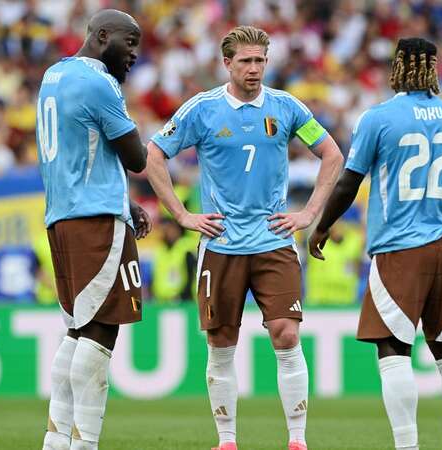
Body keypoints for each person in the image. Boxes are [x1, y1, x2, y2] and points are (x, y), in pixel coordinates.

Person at [145, 25, 344, 450]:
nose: (254, 69)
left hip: (274, 240)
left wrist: (310, 212)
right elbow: (154, 154)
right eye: (246, 61)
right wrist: (181, 214)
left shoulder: (286, 108)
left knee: (286, 335)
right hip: (220, 243)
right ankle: (228, 440)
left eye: (260, 61)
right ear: (227, 64)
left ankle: (297, 440)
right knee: (221, 343)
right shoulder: (201, 110)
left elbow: (332, 153)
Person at [309, 37, 442, 450]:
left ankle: (407, 446)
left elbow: (350, 181)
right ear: (434, 69)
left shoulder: (379, 118)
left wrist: (322, 227)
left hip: (400, 248)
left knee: (393, 349)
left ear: (398, 67)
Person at [36, 10, 152, 450]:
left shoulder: (53, 76)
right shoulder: (98, 82)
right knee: (102, 329)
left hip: (62, 216)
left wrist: (123, 200)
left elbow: (78, 152)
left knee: (77, 330)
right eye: (130, 42)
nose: (134, 54)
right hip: (95, 222)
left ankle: (56, 439)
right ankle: (85, 444)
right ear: (103, 36)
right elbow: (135, 157)